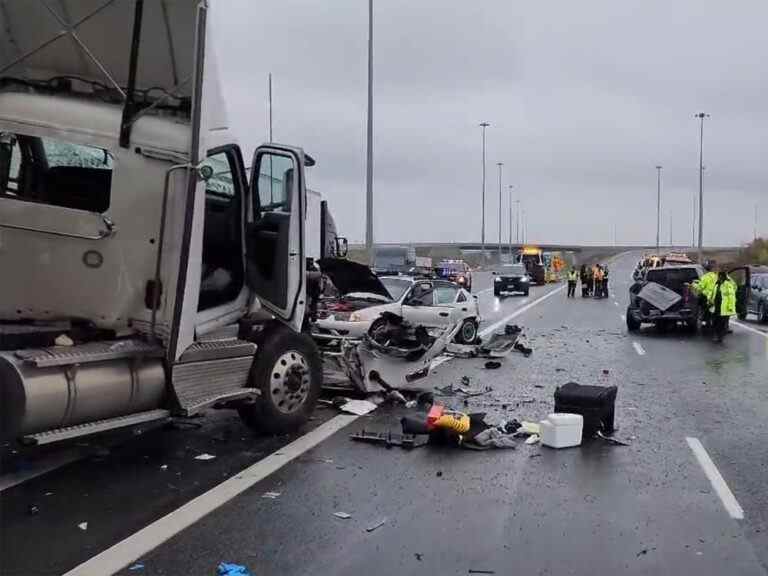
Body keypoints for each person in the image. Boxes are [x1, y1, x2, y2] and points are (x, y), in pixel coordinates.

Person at [710, 270, 737, 343]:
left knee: (722, 323)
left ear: (722, 277)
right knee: (715, 322)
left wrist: (730, 307)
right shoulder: (716, 284)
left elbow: (731, 297)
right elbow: (712, 294)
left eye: (719, 276)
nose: (718, 278)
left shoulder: (728, 284)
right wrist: (709, 301)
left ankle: (720, 337)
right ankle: (717, 335)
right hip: (716, 307)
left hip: (724, 308)